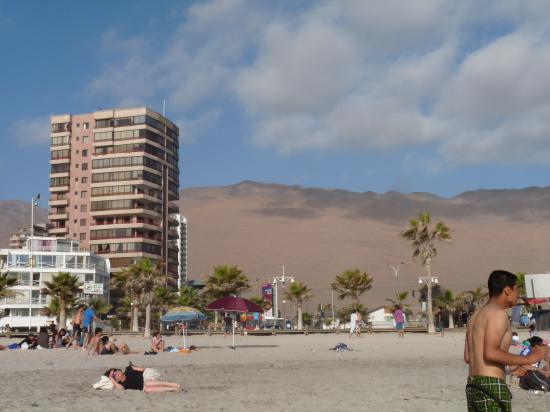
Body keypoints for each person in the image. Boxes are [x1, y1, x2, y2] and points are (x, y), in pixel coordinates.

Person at [464, 270, 548, 411]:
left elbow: (468, 357)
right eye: (517, 290)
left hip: (473, 384)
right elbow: (490, 353)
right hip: (491, 385)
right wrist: (528, 359)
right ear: (507, 290)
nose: (518, 295)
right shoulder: (498, 314)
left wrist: (510, 368)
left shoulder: (476, 315)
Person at [105, 364, 182, 393]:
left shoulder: (128, 369)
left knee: (147, 383)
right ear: (115, 379)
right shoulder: (122, 384)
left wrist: (146, 377)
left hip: (148, 374)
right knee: (147, 389)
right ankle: (172, 388)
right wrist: (111, 379)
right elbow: (121, 389)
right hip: (147, 385)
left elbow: (144, 369)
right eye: (113, 375)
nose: (116, 372)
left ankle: (174, 384)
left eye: (115, 370)